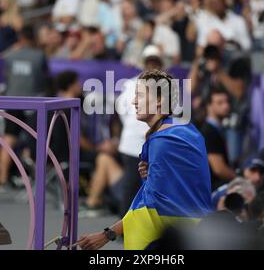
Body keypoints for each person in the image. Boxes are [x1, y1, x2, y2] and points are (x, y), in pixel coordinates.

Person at [77, 70, 212, 250]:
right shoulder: (183, 130)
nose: (133, 101)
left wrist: (107, 234)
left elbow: (149, 206)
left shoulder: (163, 142)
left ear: (159, 101)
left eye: (139, 95)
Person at [116, 44, 164, 217]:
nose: (152, 65)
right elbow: (122, 110)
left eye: (155, 62)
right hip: (132, 145)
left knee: (150, 187)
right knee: (131, 185)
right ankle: (123, 225)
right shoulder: (130, 85)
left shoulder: (167, 87)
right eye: (149, 62)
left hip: (153, 145)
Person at [0, 25, 48, 187]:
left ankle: (3, 179)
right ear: (34, 38)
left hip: (13, 101)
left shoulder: (10, 55)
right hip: (34, 103)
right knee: (37, 140)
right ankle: (38, 180)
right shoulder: (39, 55)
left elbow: (7, 76)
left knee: (8, 139)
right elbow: (43, 78)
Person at [199, 85, 236, 191]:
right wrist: (239, 180)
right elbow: (219, 169)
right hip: (213, 190)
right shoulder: (209, 131)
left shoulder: (215, 129)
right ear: (209, 106)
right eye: (220, 103)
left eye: (227, 102)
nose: (226, 106)